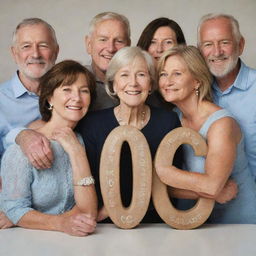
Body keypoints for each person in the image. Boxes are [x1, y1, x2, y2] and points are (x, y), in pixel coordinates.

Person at [76, 46, 182, 223]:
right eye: (124, 75)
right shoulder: (92, 124)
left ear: (150, 84)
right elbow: (87, 182)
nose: (133, 83)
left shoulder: (168, 122)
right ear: (114, 84)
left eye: (141, 75)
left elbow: (174, 182)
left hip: (156, 224)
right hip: (105, 226)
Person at [156, 45, 256, 223]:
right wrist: (203, 191)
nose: (167, 81)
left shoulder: (221, 124)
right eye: (163, 74)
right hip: (192, 222)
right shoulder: (171, 119)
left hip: (238, 223)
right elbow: (157, 186)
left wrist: (164, 171)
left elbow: (212, 185)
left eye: (177, 74)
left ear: (197, 81)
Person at [0, 60, 98, 236]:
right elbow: (14, 209)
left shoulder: (82, 141)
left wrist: (76, 152)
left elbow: (87, 212)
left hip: (74, 242)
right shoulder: (22, 150)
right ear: (49, 98)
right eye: (67, 89)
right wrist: (61, 223)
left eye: (84, 91)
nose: (77, 97)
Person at [197, 13, 256, 181]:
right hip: (208, 203)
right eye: (208, 44)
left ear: (240, 44)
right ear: (200, 50)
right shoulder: (196, 92)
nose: (217, 52)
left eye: (224, 42)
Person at [0, 18, 59, 162]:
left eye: (43, 45)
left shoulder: (71, 95)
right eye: (26, 46)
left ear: (56, 51)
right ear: (14, 53)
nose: (35, 54)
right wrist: (22, 135)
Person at [85, 12, 131, 111]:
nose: (111, 48)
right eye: (103, 40)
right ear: (89, 44)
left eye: (119, 41)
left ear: (128, 46)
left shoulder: (139, 83)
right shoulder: (75, 81)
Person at [137, 17, 186, 109]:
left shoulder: (186, 80)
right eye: (153, 42)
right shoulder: (135, 83)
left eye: (168, 42)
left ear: (180, 46)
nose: (159, 49)